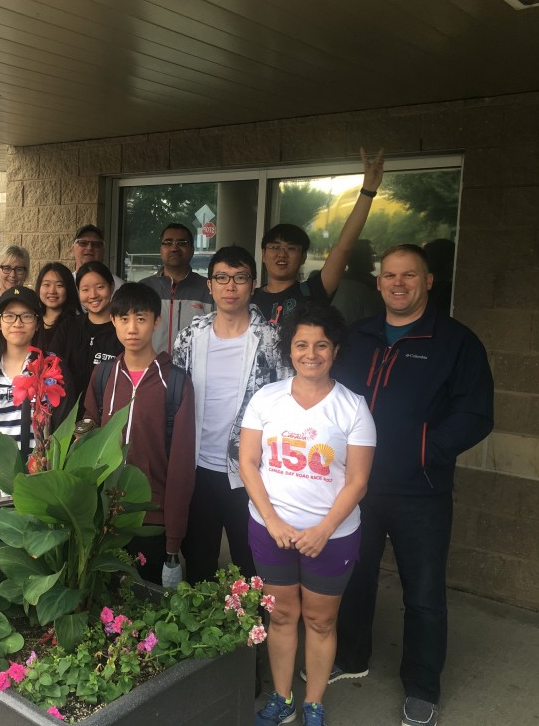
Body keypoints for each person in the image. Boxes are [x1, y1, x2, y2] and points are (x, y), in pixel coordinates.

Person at [329, 244, 493, 726]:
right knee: (353, 577)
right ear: (378, 283)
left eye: (409, 275)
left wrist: (424, 451)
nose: (398, 283)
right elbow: (330, 397)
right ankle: (352, 656)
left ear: (428, 282)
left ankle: (422, 688)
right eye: (390, 275)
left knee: (423, 593)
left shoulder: (455, 342)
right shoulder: (356, 336)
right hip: (355, 487)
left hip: (420, 492)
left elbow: (476, 414)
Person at [239, 303, 376, 726]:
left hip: (331, 537)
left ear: (335, 350)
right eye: (301, 344)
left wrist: (323, 529)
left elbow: (357, 482)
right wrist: (273, 520)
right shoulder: (267, 398)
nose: (310, 353)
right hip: (270, 529)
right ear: (289, 349)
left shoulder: (353, 408)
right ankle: (282, 699)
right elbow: (247, 462)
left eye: (321, 345)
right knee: (280, 615)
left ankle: (313, 702)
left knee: (320, 619)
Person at [172, 245, 291, 584]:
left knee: (252, 562)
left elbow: (287, 404)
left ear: (253, 284)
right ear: (209, 285)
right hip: (198, 469)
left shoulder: (273, 339)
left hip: (251, 473)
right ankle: (201, 633)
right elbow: (174, 399)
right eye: (221, 278)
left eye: (240, 278)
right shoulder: (190, 336)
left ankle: (256, 633)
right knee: (198, 562)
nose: (230, 286)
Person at [82, 282, 196, 586]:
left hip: (151, 521)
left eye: (141, 318)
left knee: (146, 615)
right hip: (106, 517)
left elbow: (181, 465)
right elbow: (89, 433)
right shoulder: (104, 374)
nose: (132, 328)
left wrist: (173, 540)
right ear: (113, 321)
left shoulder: (174, 381)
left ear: (157, 321)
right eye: (124, 319)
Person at [0, 287, 72, 507]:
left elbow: (63, 428)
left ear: (38, 322)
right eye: (9, 316)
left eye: (27, 316)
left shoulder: (51, 367)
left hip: (39, 480)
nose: (17, 323)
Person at [253, 148, 384, 324]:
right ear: (263, 254)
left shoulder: (313, 291)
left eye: (291, 248)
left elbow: (343, 248)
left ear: (303, 257)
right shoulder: (247, 297)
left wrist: (367, 191)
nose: (282, 254)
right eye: (275, 247)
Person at [50, 261, 124, 408]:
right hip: (67, 418)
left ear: (112, 287)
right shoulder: (68, 327)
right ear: (78, 292)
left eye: (100, 287)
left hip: (107, 420)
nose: (93, 295)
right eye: (85, 289)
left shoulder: (122, 330)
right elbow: (52, 367)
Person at [140, 223, 213, 353]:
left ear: (192, 249)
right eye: (167, 242)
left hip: (194, 371)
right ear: (160, 249)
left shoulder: (209, 289)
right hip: (152, 369)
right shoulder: (143, 288)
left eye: (182, 243)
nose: (174, 248)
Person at [327, 239, 382, 326]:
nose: (373, 259)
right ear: (360, 257)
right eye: (370, 255)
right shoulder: (372, 287)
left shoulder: (334, 280)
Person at [33, 261, 81, 353]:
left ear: (68, 289)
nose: (52, 291)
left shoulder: (76, 326)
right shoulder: (32, 320)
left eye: (59, 285)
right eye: (46, 284)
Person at [71, 224, 125, 292]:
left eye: (96, 244)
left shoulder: (119, 287)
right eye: (83, 243)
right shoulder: (65, 284)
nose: (89, 248)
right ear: (73, 250)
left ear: (103, 251)